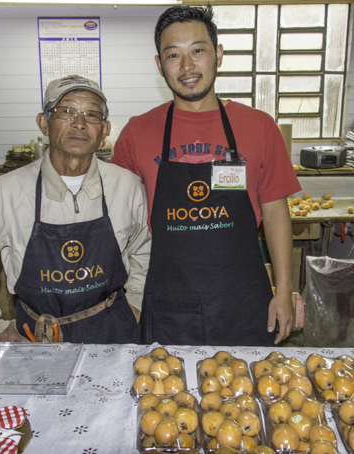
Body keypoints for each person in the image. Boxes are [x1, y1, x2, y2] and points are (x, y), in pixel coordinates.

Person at [112, 5, 302, 346]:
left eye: (198, 51)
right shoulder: (137, 132)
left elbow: (275, 213)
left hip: (244, 299)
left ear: (219, 54)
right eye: (173, 55)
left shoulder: (259, 127)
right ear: (159, 65)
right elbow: (120, 222)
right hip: (169, 301)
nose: (187, 66)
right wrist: (128, 295)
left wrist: (284, 291)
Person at [0, 75, 151, 344]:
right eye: (66, 111)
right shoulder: (4, 192)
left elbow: (145, 251)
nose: (79, 123)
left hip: (112, 330)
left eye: (92, 115)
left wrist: (135, 301)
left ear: (104, 131)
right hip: (36, 337)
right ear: (43, 123)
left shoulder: (126, 186)